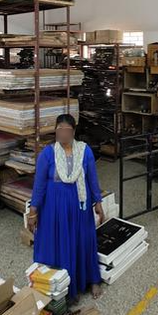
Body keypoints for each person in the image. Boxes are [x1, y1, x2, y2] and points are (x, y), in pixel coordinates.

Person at [27, 113, 105, 299]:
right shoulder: (48, 154)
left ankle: (91, 279)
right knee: (58, 242)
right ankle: (60, 288)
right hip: (54, 207)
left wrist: (98, 202)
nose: (63, 134)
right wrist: (33, 212)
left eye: (67, 130)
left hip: (80, 206)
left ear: (74, 132)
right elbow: (39, 185)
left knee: (83, 240)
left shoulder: (84, 151)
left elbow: (92, 179)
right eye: (59, 130)